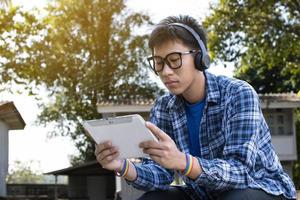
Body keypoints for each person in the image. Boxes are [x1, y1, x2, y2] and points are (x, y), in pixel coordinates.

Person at [95, 15, 297, 200]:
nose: (165, 72)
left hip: (261, 188)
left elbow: (241, 171)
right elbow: (160, 175)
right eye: (158, 63)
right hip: (202, 193)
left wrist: (184, 162)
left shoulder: (238, 94)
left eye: (174, 60)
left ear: (200, 57)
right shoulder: (164, 107)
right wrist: (122, 166)